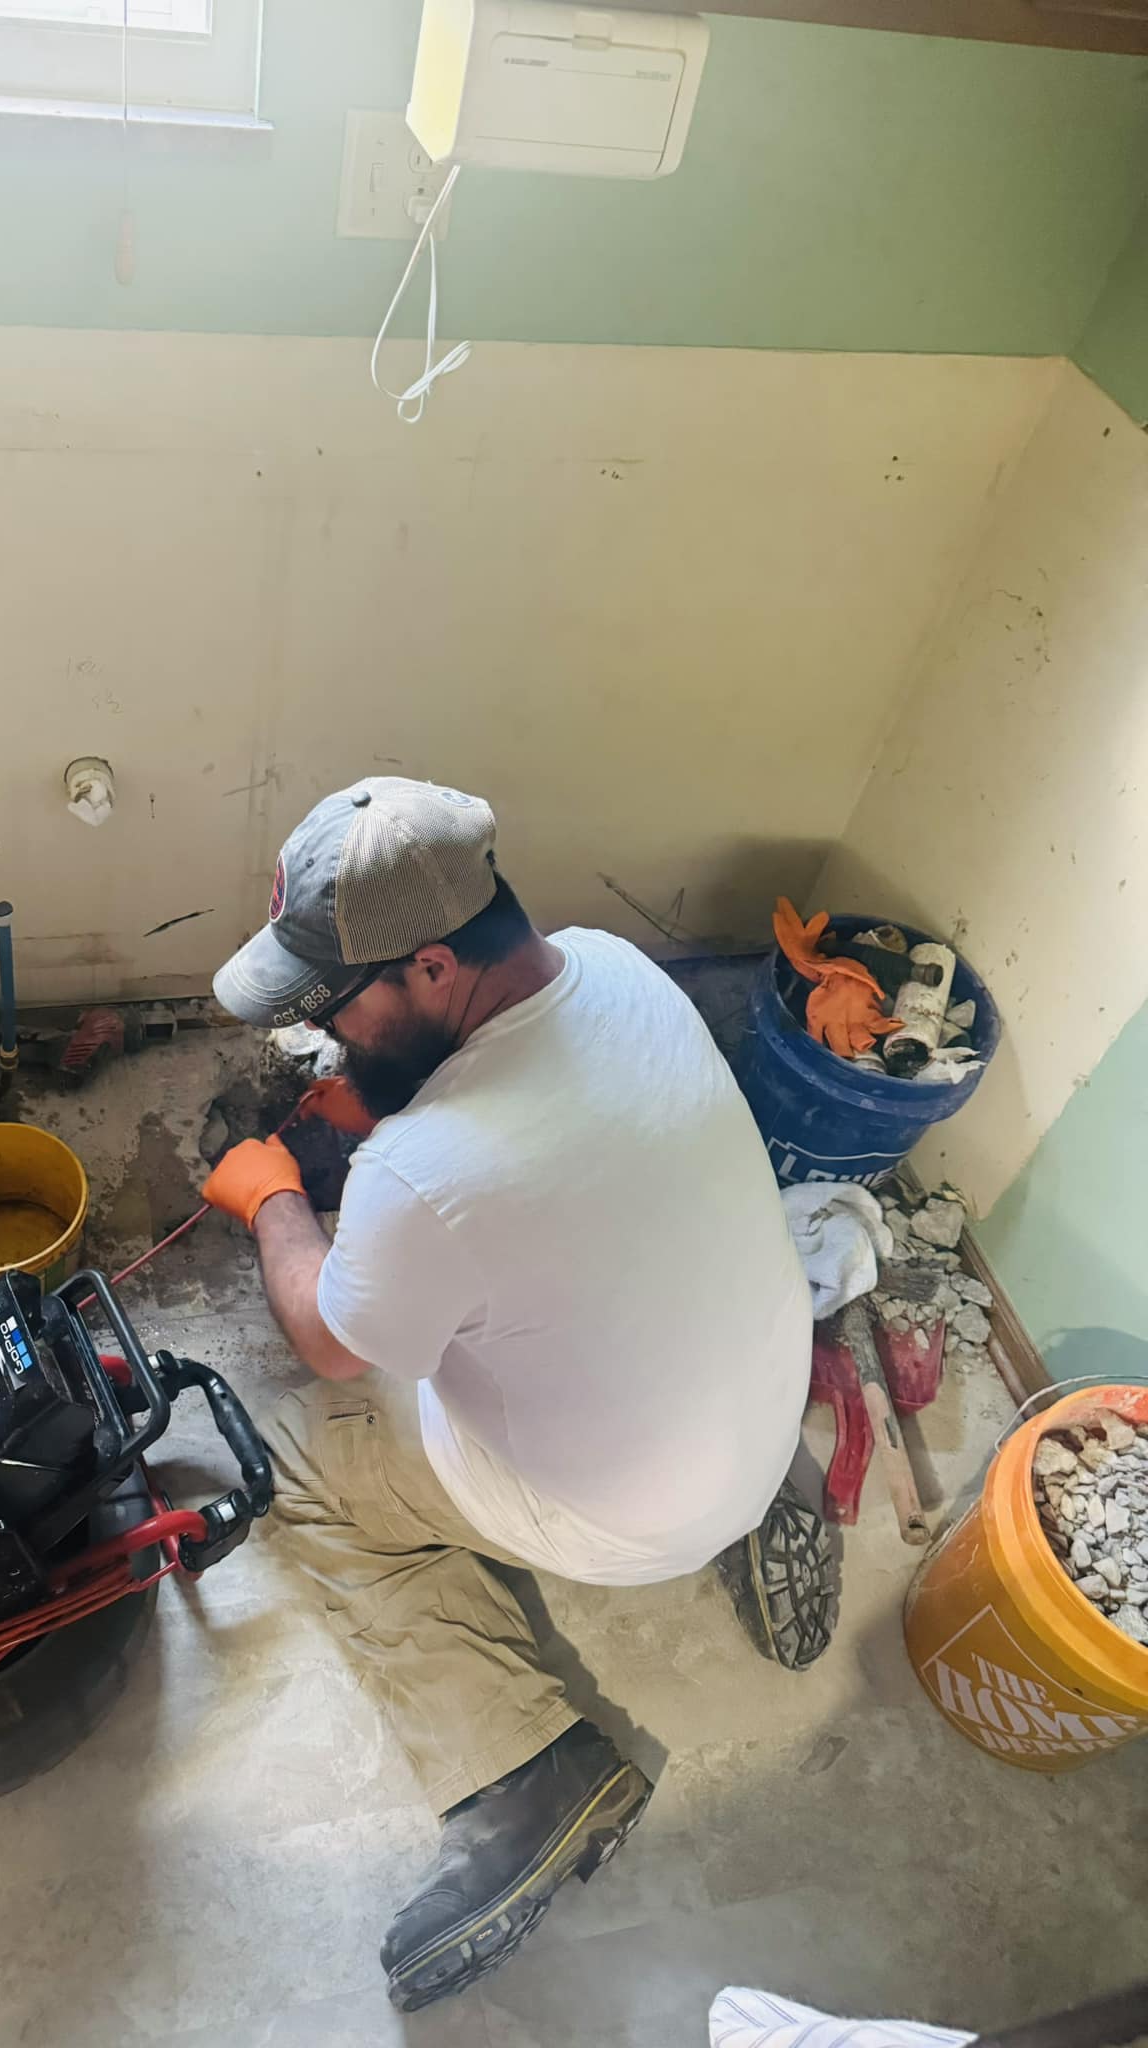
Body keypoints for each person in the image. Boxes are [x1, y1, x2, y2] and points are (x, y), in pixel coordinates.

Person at [201, 776, 827, 2013]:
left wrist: (273, 1196)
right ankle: (763, 1501)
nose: (328, 1038)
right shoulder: (616, 967)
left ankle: (527, 1768)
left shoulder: (425, 1176)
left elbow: (332, 1336)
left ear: (431, 967)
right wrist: (389, 1085)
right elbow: (544, 1133)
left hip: (623, 1516)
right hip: (757, 1399)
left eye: (338, 1006)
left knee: (293, 1459)